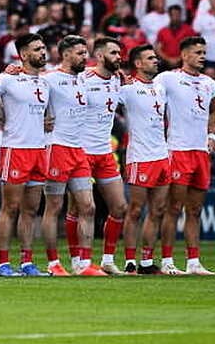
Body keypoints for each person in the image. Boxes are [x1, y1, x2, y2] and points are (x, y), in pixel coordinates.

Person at [41, 35, 106, 276]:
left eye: (85, 52)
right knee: (54, 206)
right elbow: (28, 97)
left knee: (88, 206)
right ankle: (53, 263)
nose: (85, 57)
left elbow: (107, 76)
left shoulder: (85, 78)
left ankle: (83, 263)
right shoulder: (49, 79)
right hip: (57, 147)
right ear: (65, 54)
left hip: (79, 150)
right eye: (80, 53)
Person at [155, 36, 215, 276]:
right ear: (184, 55)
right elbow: (151, 103)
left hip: (200, 152)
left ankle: (194, 262)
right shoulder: (168, 79)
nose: (202, 56)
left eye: (204, 52)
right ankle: (168, 261)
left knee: (195, 210)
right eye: (197, 52)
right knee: (174, 208)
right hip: (178, 150)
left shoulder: (209, 83)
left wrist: (212, 136)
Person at [68, 37, 128, 275]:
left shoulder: (117, 80)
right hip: (81, 151)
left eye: (119, 53)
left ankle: (107, 259)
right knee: (80, 208)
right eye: (114, 53)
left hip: (105, 153)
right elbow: (55, 80)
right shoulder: (83, 78)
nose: (119, 57)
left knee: (120, 206)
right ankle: (78, 261)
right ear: (100, 56)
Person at [0, 33, 49, 277]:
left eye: (43, 48)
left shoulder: (46, 82)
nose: (43, 52)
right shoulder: (7, 79)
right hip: (15, 149)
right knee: (10, 207)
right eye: (37, 49)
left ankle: (27, 262)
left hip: (39, 149)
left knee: (31, 209)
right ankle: (3, 263)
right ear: (24, 54)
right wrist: (2, 116)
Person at [119, 44, 170, 275]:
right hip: (140, 156)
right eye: (150, 58)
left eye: (156, 57)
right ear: (138, 63)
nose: (156, 60)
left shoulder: (160, 88)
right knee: (136, 210)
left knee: (158, 209)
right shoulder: (127, 89)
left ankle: (147, 261)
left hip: (162, 154)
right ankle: (130, 260)